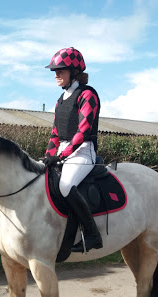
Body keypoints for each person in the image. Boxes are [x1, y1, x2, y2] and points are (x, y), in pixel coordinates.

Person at [43, 47, 102, 253]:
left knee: (66, 186)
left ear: (74, 72)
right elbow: (55, 133)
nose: (56, 74)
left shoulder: (87, 95)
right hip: (62, 151)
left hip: (83, 151)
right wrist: (49, 157)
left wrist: (61, 155)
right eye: (55, 71)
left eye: (61, 70)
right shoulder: (60, 101)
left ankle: (92, 235)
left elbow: (83, 131)